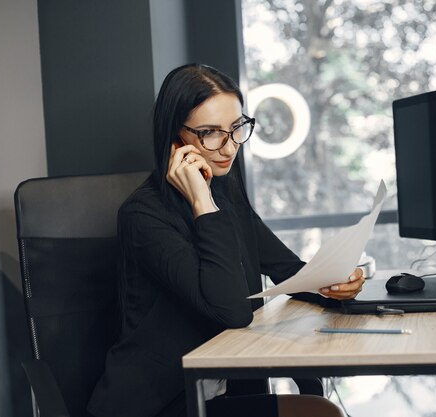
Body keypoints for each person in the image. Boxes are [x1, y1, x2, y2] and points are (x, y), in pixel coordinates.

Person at [88, 63, 365, 417]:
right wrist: (202, 202)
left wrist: (333, 283)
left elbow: (287, 269)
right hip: (162, 403)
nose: (229, 147)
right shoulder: (143, 216)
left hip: (221, 392)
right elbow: (232, 310)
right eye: (210, 132)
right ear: (176, 135)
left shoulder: (225, 189)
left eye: (236, 128)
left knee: (322, 410)